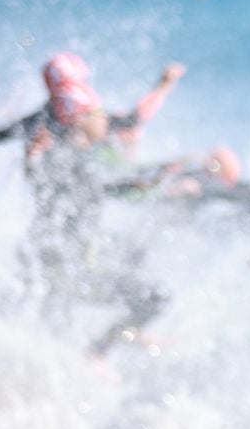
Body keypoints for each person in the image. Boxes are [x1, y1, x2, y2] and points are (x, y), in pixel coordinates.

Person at [21, 106, 168, 356]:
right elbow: (45, 185)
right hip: (64, 266)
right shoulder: (61, 154)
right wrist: (32, 160)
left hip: (75, 262)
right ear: (81, 120)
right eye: (101, 118)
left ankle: (115, 341)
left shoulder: (84, 158)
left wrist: (141, 183)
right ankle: (99, 351)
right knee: (152, 297)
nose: (106, 125)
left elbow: (98, 187)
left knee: (140, 264)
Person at [0, 53, 185, 161]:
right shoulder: (87, 105)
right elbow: (135, 118)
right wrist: (163, 86)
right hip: (91, 171)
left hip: (61, 176)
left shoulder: (43, 116)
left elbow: (5, 134)